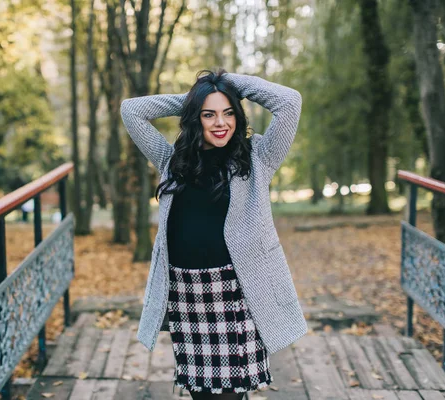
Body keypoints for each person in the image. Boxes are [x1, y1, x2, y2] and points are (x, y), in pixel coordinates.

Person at [120, 68, 307, 400]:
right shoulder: (171, 161)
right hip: (188, 295)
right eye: (209, 115)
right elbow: (132, 110)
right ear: (196, 118)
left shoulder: (257, 158)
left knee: (227, 396)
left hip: (235, 292)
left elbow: (289, 102)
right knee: (203, 395)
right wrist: (197, 97)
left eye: (228, 112)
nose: (221, 122)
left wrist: (231, 85)